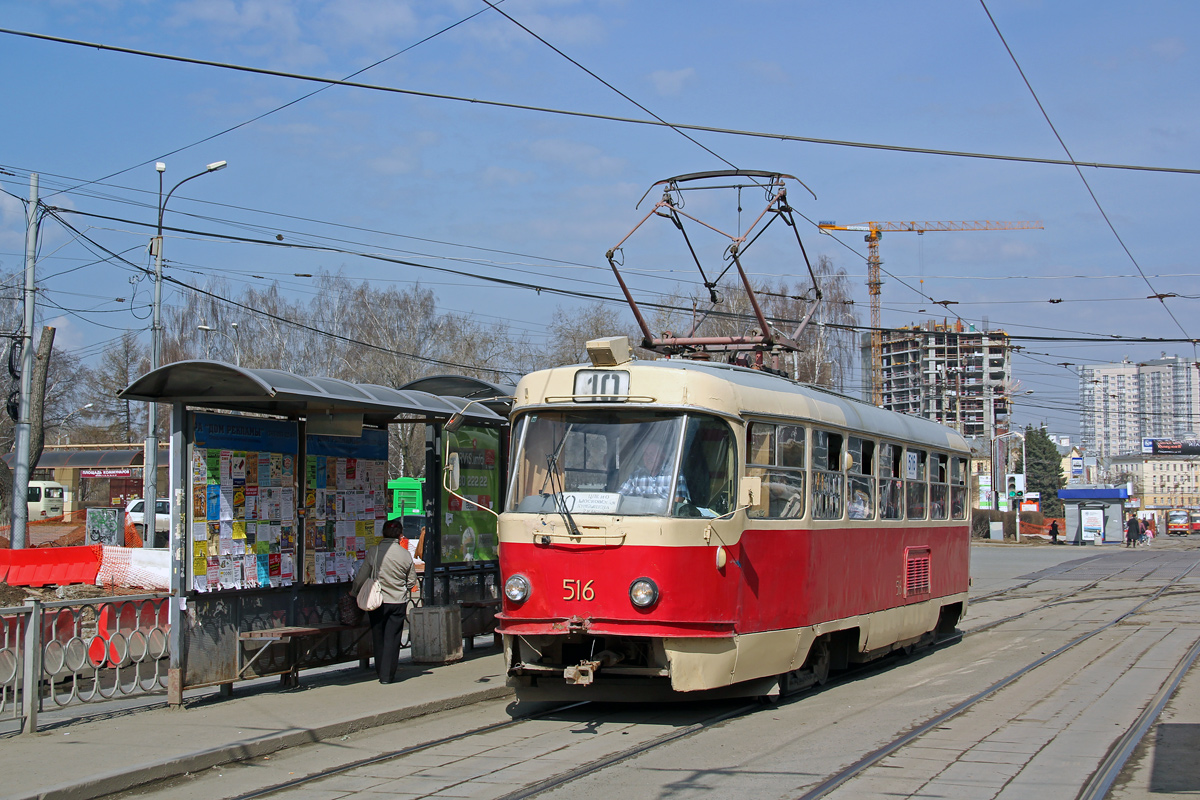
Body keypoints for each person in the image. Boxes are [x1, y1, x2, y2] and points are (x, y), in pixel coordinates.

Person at [351, 517, 418, 684]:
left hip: (377, 601)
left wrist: (354, 591)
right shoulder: (405, 554)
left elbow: (362, 575)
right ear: (400, 535)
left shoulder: (374, 552)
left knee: (378, 636)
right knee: (393, 638)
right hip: (397, 602)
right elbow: (411, 582)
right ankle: (387, 675)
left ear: (383, 534)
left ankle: (380, 670)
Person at [618, 440, 689, 504]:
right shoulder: (635, 477)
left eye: (652, 454)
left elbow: (679, 500)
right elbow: (620, 497)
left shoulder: (674, 474)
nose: (648, 457)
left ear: (663, 455)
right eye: (645, 454)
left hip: (664, 517)